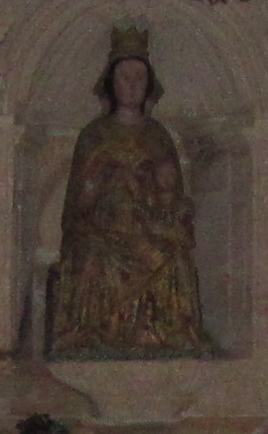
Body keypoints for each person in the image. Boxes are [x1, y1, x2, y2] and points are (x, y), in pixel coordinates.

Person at [47, 27, 209, 358]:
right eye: (125, 77)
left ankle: (169, 333)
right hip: (104, 229)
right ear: (112, 82)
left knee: (175, 259)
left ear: (149, 84)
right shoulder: (94, 136)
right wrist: (103, 183)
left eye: (139, 77)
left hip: (146, 226)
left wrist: (159, 202)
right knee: (90, 255)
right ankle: (89, 333)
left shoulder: (158, 136)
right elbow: (79, 203)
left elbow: (172, 199)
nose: (133, 84)